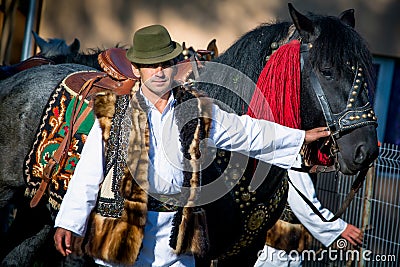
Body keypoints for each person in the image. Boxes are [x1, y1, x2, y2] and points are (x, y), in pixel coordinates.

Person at [53, 24, 330, 267]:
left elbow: (246, 131)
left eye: (165, 64)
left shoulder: (196, 110)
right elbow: (89, 174)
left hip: (175, 238)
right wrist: (70, 222)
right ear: (137, 70)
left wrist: (300, 137)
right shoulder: (115, 112)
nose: (159, 72)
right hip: (121, 231)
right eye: (151, 65)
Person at [254, 155, 363, 267]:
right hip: (273, 250)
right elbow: (304, 206)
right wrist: (340, 228)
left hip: (289, 248)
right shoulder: (297, 156)